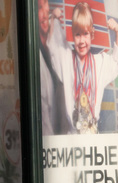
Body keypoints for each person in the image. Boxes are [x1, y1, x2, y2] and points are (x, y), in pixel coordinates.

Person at [48, 2, 118, 134]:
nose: (82, 41)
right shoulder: (66, 60)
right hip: (72, 137)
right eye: (77, 34)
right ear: (72, 35)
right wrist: (53, 19)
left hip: (92, 136)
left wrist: (117, 32)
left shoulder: (100, 63)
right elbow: (53, 49)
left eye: (85, 34)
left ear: (92, 35)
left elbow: (117, 62)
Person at [38, 0, 68, 136]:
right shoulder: (32, 50)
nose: (45, 13)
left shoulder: (55, 30)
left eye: (45, 4)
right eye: (39, 8)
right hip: (49, 142)